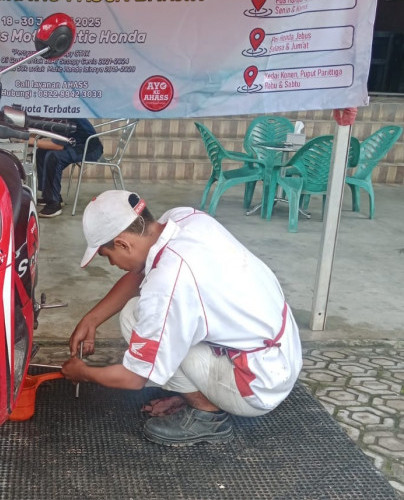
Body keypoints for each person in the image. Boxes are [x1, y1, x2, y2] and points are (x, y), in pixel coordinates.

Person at [61, 190, 302, 446]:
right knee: (154, 318)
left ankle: (207, 417)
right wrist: (92, 319)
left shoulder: (168, 283)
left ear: (122, 243)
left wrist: (85, 373)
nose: (111, 264)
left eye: (107, 255)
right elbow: (142, 273)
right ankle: (197, 394)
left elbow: (134, 377)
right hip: (281, 353)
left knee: (135, 317)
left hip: (256, 383)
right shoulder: (184, 219)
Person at [35, 118, 103, 218]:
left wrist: (30, 140)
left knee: (53, 157)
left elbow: (57, 146)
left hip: (89, 148)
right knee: (41, 152)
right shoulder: (58, 111)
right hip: (75, 144)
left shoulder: (66, 113)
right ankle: (50, 195)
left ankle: (54, 204)